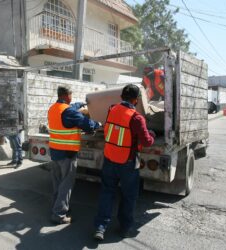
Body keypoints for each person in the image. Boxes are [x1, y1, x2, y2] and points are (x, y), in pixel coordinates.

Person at [94, 84, 155, 240]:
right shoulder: (136, 118)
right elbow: (147, 142)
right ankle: (125, 227)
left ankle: (100, 227)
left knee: (107, 193)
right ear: (136, 100)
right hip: (127, 163)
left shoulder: (111, 109)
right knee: (128, 196)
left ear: (121, 97)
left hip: (109, 159)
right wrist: (152, 135)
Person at [48, 86, 100, 224]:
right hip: (67, 154)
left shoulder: (54, 108)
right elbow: (88, 125)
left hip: (54, 152)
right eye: (71, 95)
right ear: (67, 95)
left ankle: (56, 207)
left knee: (58, 183)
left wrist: (81, 103)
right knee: (66, 185)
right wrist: (98, 123)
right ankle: (59, 215)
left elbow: (71, 107)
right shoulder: (69, 112)